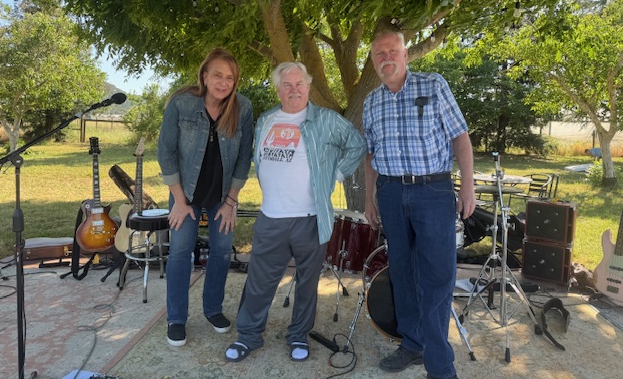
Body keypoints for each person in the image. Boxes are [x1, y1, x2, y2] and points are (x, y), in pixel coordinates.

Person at [224, 62, 367, 363]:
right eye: (287, 85)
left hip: (311, 219)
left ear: (308, 86)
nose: (294, 90)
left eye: (299, 84)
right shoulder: (266, 120)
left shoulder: (327, 119)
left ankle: (298, 336)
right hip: (271, 217)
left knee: (307, 283)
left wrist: (336, 174)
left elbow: (357, 144)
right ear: (278, 90)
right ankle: (248, 336)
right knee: (259, 282)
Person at [363, 30, 476, 379]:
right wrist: (369, 197)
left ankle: (440, 366)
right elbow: (370, 154)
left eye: (392, 50)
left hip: (433, 191)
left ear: (405, 54)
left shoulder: (433, 84)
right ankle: (413, 344)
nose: (386, 57)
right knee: (402, 272)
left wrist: (468, 186)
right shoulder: (371, 101)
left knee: (438, 276)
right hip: (391, 192)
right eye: (379, 53)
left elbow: (460, 137)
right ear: (373, 60)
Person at [157, 48, 254, 347]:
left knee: (222, 251)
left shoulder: (243, 107)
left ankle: (213, 309)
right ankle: (176, 318)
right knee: (180, 251)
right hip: (185, 194)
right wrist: (179, 201)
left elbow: (244, 158)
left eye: (230, 77)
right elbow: (166, 153)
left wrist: (231, 202)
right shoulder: (181, 103)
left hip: (223, 196)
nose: (223, 82)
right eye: (217, 75)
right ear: (204, 76)